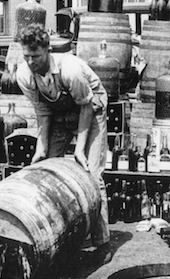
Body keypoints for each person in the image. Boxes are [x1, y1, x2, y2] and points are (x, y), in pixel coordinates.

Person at [15, 23, 111, 262]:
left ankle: (102, 243)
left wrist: (79, 149)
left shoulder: (70, 69)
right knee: (47, 172)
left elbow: (86, 106)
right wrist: (42, 148)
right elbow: (42, 111)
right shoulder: (24, 75)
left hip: (91, 110)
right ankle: (58, 237)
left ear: (47, 50)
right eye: (26, 56)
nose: (31, 62)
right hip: (59, 115)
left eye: (35, 56)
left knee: (91, 175)